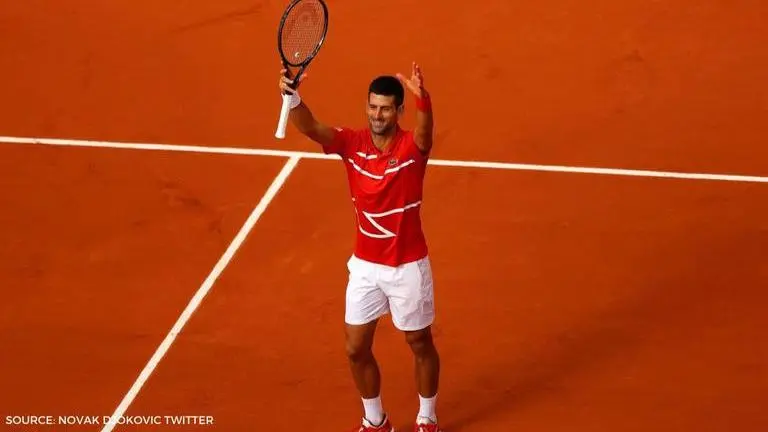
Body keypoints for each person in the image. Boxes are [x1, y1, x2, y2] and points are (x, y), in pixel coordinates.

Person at [277, 62, 442, 432]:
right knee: (355, 348)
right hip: (366, 267)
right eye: (372, 107)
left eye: (385, 108)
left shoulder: (411, 149)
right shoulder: (352, 144)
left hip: (407, 266)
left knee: (418, 342)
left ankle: (427, 418)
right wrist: (293, 97)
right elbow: (312, 127)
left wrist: (424, 101)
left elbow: (426, 134)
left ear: (399, 111)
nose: (376, 115)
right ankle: (375, 420)